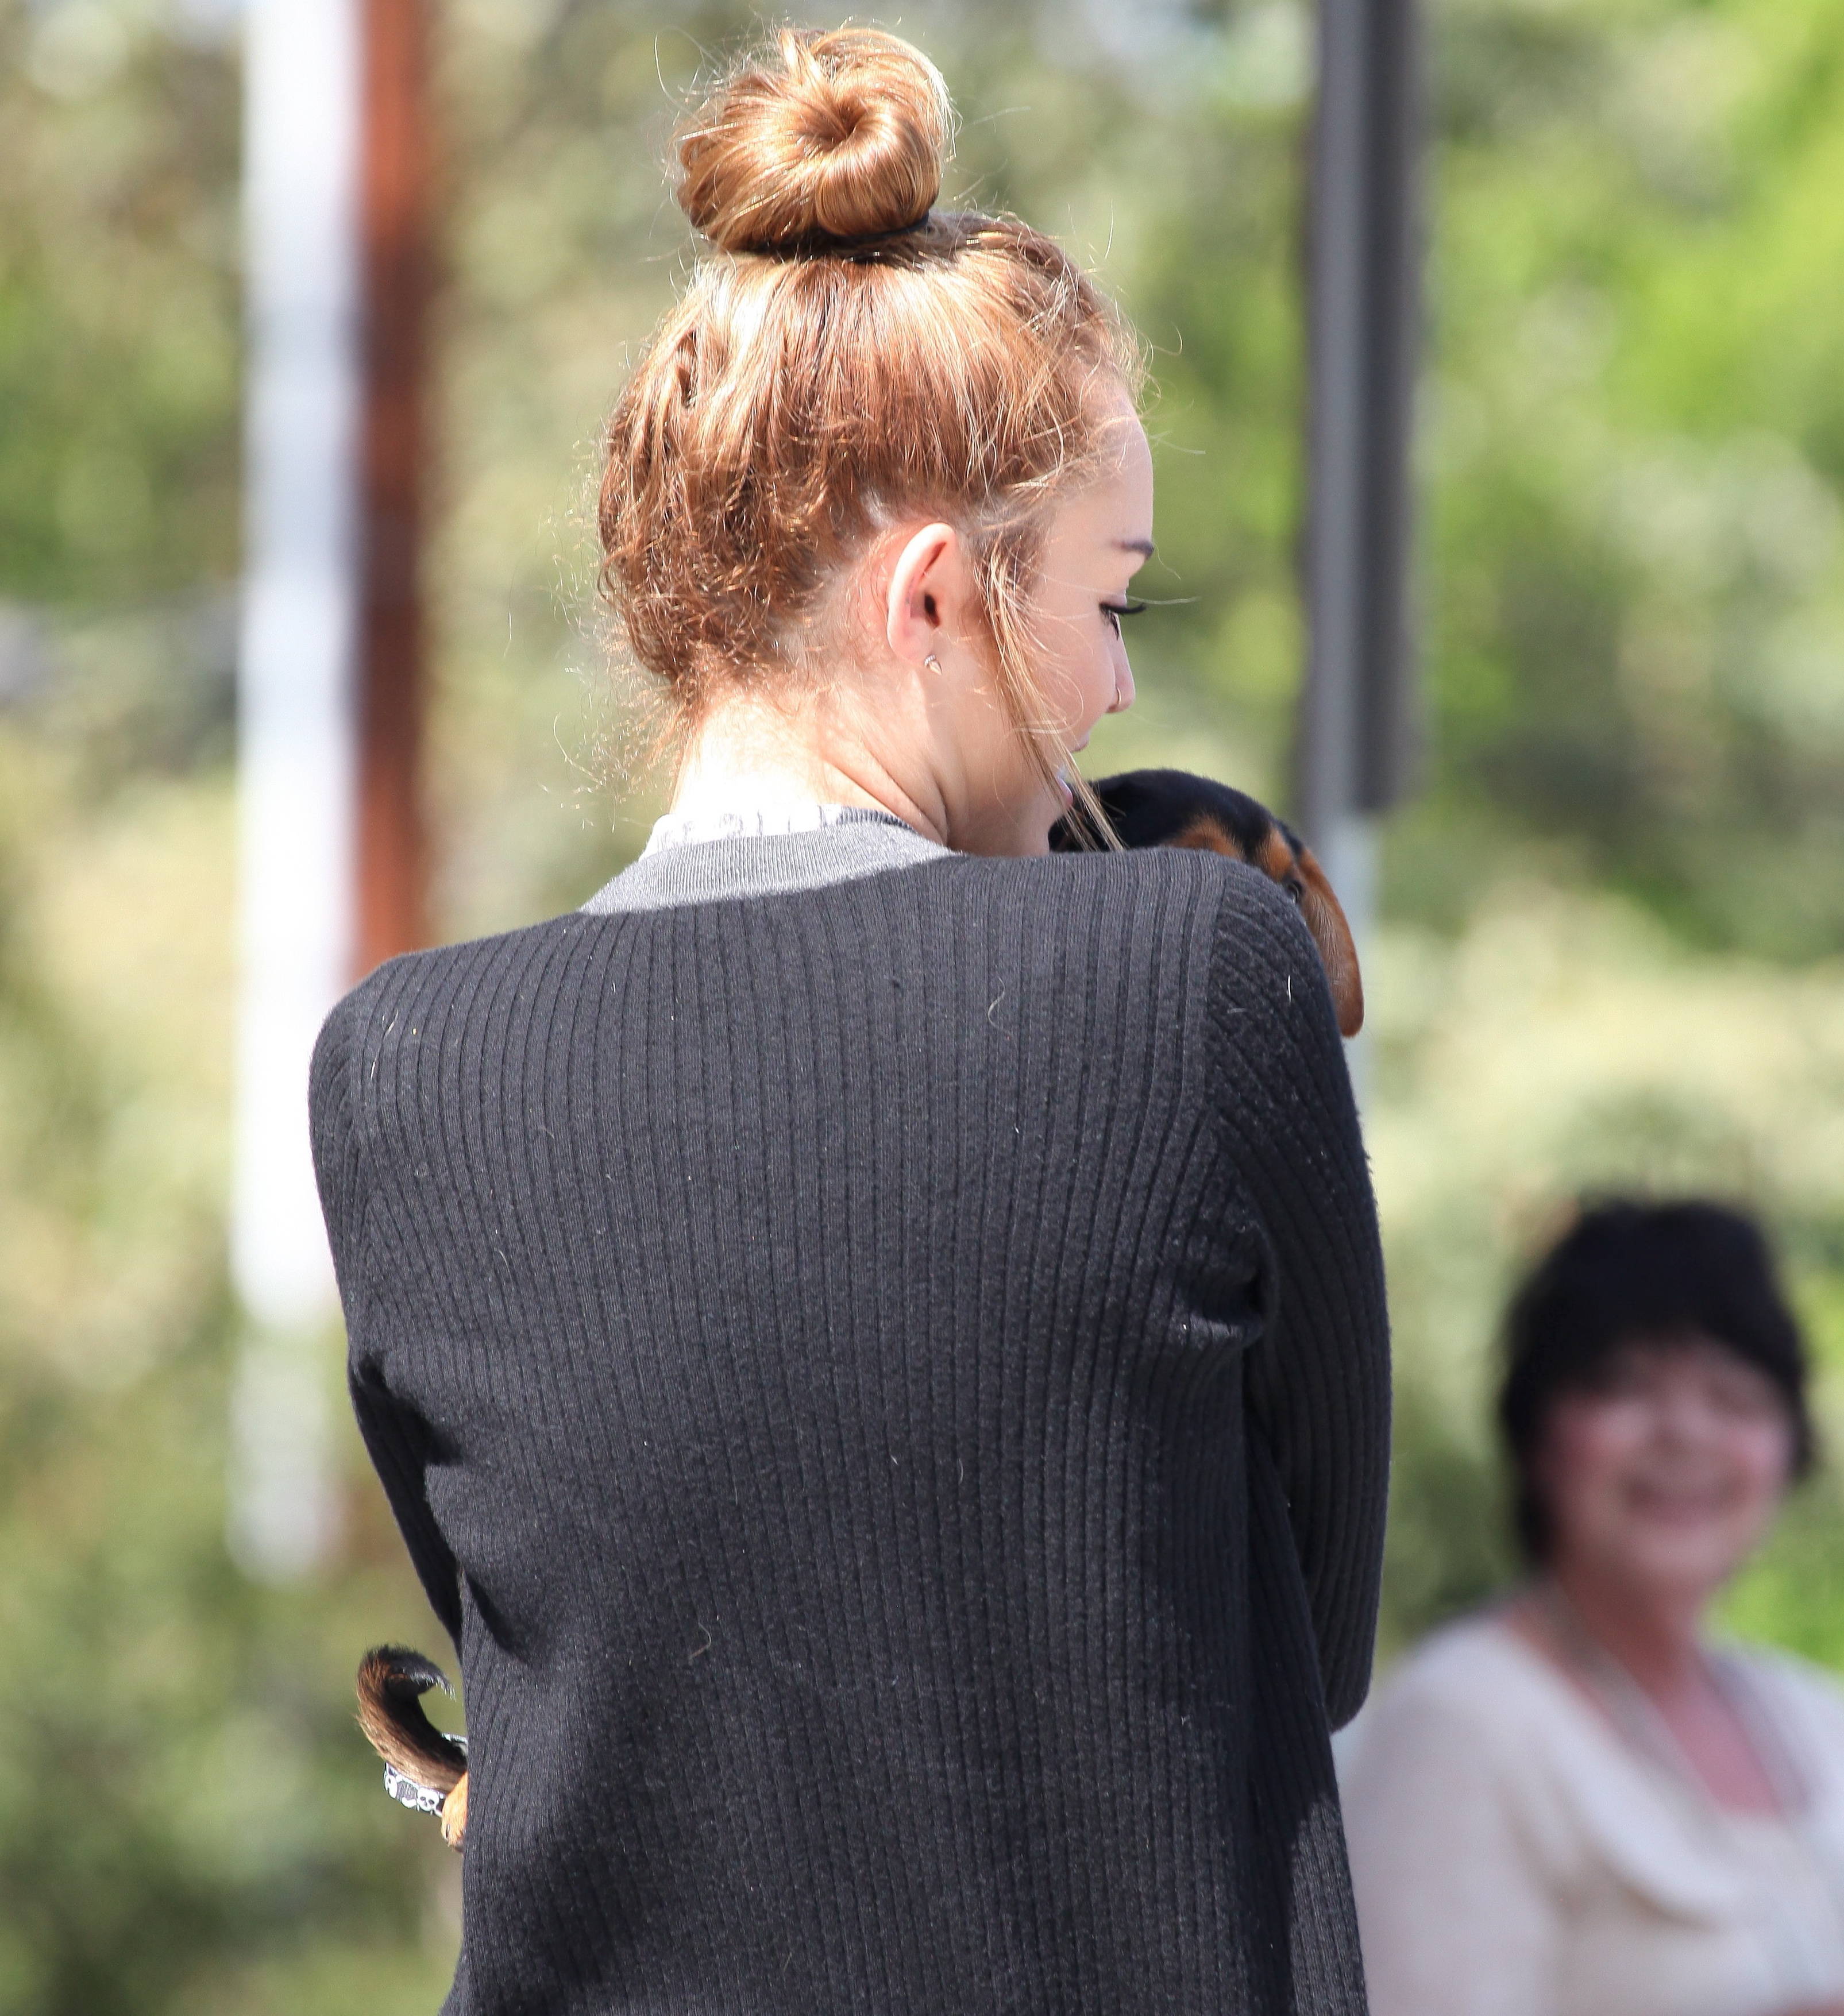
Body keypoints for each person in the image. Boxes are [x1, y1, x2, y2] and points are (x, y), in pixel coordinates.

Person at [310, 26, 1388, 2015]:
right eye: (1112, 602)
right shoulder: (1193, 970)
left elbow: (570, 1660)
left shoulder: (396, 1069)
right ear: (934, 597)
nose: (1117, 695)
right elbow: (1307, 1631)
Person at [1341, 1198, 1844, 2016]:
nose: (1685, 1433)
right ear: (1539, 1436)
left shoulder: (1815, 1716)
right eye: (1625, 1386)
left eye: (1735, 1397)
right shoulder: (1465, 1723)